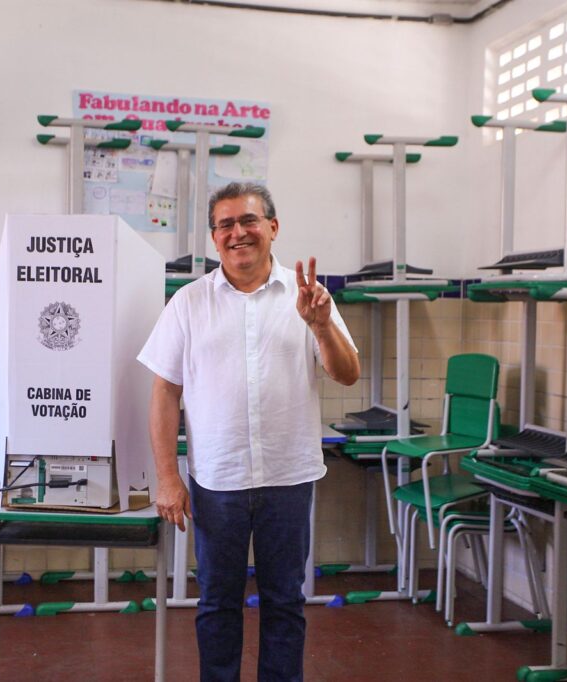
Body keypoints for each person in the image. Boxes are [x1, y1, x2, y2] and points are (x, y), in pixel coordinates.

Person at [137, 182, 360, 681]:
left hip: (288, 476)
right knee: (217, 604)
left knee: (286, 602)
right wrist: (168, 478)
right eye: (226, 225)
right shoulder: (189, 303)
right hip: (217, 482)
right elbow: (164, 394)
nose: (238, 233)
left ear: (273, 228)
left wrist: (322, 326)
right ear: (214, 238)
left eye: (249, 221)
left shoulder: (309, 299)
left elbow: (347, 373)